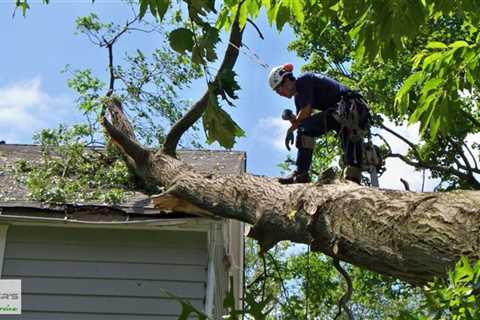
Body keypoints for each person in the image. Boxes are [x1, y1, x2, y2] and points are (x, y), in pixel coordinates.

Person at [268, 64, 370, 184]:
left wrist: (291, 129)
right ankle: (352, 179)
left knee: (306, 128)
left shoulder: (303, 81)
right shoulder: (299, 98)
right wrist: (292, 119)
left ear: (286, 80)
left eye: (279, 89)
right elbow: (303, 119)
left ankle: (301, 173)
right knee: (308, 129)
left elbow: (305, 114)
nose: (280, 94)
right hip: (341, 112)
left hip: (349, 107)